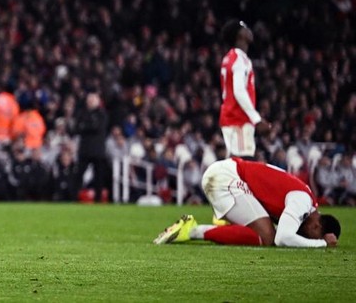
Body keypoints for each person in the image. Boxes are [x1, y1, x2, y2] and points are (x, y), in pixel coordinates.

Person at [153, 157, 340, 248]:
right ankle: (192, 230)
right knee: (268, 237)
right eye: (311, 236)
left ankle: (224, 224)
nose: (306, 238)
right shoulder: (302, 202)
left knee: (264, 232)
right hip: (227, 179)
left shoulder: (306, 199)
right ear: (316, 226)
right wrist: (320, 244)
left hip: (227, 174)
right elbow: (282, 238)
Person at [219, 20, 271, 158]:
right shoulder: (239, 59)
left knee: (238, 167)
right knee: (242, 165)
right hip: (238, 119)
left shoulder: (231, 57)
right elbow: (239, 91)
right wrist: (257, 119)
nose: (249, 30)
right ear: (239, 35)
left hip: (233, 118)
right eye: (244, 28)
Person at [74, 89, 110, 202]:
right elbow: (77, 128)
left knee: (99, 177)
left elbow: (96, 127)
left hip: (97, 150)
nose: (90, 101)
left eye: (93, 99)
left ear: (98, 101)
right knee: (78, 174)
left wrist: (85, 126)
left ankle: (98, 200)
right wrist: (87, 126)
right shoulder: (82, 112)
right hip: (84, 149)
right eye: (89, 99)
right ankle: (74, 197)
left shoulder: (102, 114)